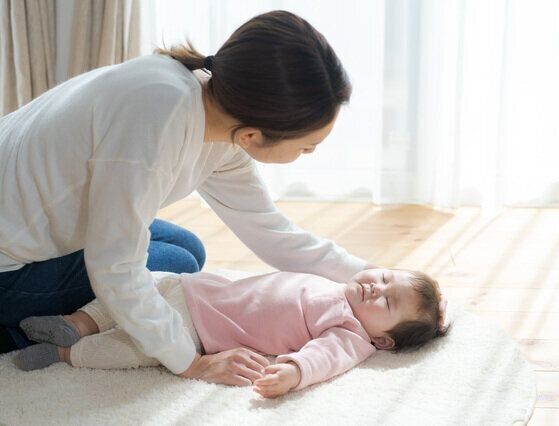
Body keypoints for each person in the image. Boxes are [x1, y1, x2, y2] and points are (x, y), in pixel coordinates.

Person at [0, 10, 378, 384]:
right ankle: (12, 333)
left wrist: (373, 276)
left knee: (186, 249)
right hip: (8, 265)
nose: (307, 154)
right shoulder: (155, 121)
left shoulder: (207, 103)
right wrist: (191, 362)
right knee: (175, 265)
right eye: (307, 147)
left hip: (22, 223)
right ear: (253, 135)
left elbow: (268, 230)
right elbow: (115, 270)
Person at [14, 268, 450, 398]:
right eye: (385, 276)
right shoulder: (340, 284)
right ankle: (77, 323)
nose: (376, 288)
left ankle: (65, 355)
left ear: (383, 340)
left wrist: (294, 373)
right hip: (194, 286)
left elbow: (325, 358)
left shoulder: (351, 334)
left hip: (196, 330)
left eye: (387, 302)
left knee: (136, 347)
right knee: (133, 285)